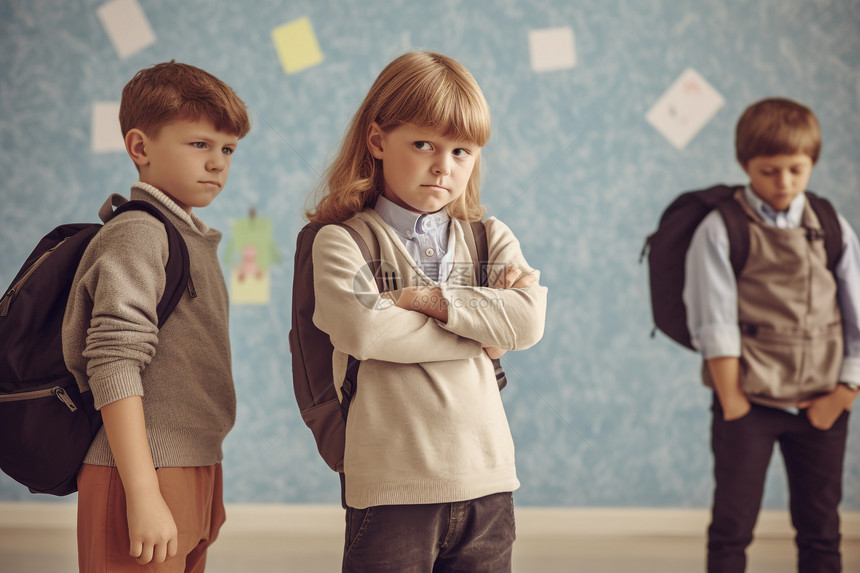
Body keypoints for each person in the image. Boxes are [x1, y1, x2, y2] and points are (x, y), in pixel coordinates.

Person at [306, 51, 548, 572]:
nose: (444, 165)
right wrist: (482, 330)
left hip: (489, 483)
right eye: (424, 144)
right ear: (377, 141)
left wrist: (422, 300)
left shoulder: (489, 237)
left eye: (462, 151)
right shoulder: (341, 242)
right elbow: (366, 330)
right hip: (392, 487)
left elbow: (527, 323)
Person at [62, 61, 250, 572]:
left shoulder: (193, 238)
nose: (217, 163)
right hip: (139, 471)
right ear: (140, 148)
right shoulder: (141, 233)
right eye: (199, 145)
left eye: (227, 149)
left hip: (190, 463)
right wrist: (143, 493)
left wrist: (204, 476)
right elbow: (113, 362)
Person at [683, 97, 860, 572]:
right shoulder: (722, 228)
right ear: (746, 165)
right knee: (731, 529)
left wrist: (843, 393)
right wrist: (734, 402)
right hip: (749, 403)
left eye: (796, 170)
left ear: (812, 164)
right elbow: (715, 322)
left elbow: (855, 315)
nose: (783, 183)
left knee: (821, 529)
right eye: (769, 171)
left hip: (822, 401)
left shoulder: (830, 224)